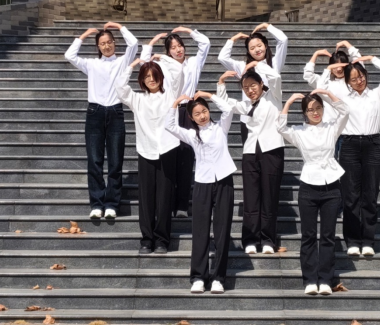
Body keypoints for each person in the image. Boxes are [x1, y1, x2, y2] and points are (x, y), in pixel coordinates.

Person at [165, 77, 237, 295]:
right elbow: (169, 125)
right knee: (200, 231)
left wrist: (208, 95)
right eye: (197, 114)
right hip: (202, 184)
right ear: (191, 117)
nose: (202, 116)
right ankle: (198, 277)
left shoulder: (221, 127)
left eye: (204, 111)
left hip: (224, 181)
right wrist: (175, 103)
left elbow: (228, 109)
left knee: (222, 231)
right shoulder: (190, 134)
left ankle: (218, 278)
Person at [277, 90, 349, 296]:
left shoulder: (331, 128)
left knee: (328, 235)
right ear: (305, 113)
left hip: (332, 186)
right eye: (310, 110)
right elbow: (280, 127)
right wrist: (290, 101)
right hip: (308, 186)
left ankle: (325, 279)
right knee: (308, 235)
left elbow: (345, 111)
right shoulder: (299, 132)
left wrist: (326, 93)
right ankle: (310, 279)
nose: (315, 112)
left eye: (318, 108)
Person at [64, 22, 138, 219]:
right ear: (98, 46)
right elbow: (69, 55)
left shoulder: (122, 62)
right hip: (94, 113)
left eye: (109, 42)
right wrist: (84, 35)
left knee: (115, 161)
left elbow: (133, 44)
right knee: (95, 161)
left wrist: (119, 26)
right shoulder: (91, 64)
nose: (107, 46)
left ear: (114, 43)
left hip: (115, 112)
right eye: (102, 43)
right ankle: (97, 203)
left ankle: (112, 203)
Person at [115, 55, 183, 255]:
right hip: (146, 150)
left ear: (161, 77)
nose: (151, 80)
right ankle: (146, 239)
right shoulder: (137, 99)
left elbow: (179, 71)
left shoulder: (171, 94)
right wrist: (133, 65)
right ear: (142, 80)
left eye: (155, 76)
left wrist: (163, 58)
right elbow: (119, 87)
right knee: (146, 198)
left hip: (168, 149)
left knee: (164, 196)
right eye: (147, 77)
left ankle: (162, 239)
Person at [142, 28, 211, 218]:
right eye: (173, 47)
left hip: (188, 111)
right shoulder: (163, 64)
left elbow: (205, 43)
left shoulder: (194, 62)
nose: (178, 50)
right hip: (169, 111)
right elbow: (145, 64)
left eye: (180, 45)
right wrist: (152, 42)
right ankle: (167, 203)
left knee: (186, 157)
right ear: (168, 51)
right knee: (169, 156)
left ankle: (182, 204)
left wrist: (188, 31)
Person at [217, 67, 285, 255]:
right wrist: (221, 83)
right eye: (245, 87)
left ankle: (268, 240)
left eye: (253, 85)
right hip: (250, 153)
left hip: (272, 151)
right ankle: (250, 239)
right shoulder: (245, 105)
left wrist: (258, 64)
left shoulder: (274, 97)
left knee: (269, 197)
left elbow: (276, 76)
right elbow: (225, 103)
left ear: (261, 84)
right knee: (251, 198)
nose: (250, 90)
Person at [337, 45, 380, 257]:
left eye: (361, 76)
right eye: (353, 79)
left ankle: (368, 240)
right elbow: (324, 84)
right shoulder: (344, 98)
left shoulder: (377, 94)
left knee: (370, 195)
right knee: (351, 196)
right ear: (348, 82)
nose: (359, 81)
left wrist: (371, 59)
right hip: (349, 145)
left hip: (372, 145)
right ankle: (352, 240)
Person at [218, 23, 288, 144]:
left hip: (270, 118)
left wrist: (267, 26)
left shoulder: (274, 63)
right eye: (252, 48)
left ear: (265, 45)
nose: (257, 50)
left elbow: (283, 40)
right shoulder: (243, 67)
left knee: (271, 153)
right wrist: (233, 39)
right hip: (249, 118)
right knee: (250, 153)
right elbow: (222, 58)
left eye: (259, 45)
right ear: (248, 52)